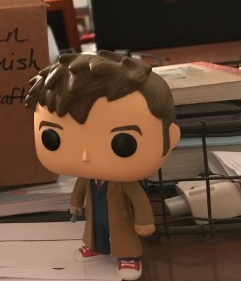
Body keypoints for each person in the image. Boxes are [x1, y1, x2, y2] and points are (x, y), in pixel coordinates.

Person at [24, 50, 180, 280]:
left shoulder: (125, 182)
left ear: (172, 138)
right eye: (52, 138)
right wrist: (75, 204)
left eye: (123, 143)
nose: (85, 156)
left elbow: (138, 199)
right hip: (95, 214)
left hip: (120, 218)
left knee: (123, 236)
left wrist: (144, 221)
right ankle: (97, 247)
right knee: (95, 231)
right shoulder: (86, 177)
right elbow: (80, 189)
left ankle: (128, 257)